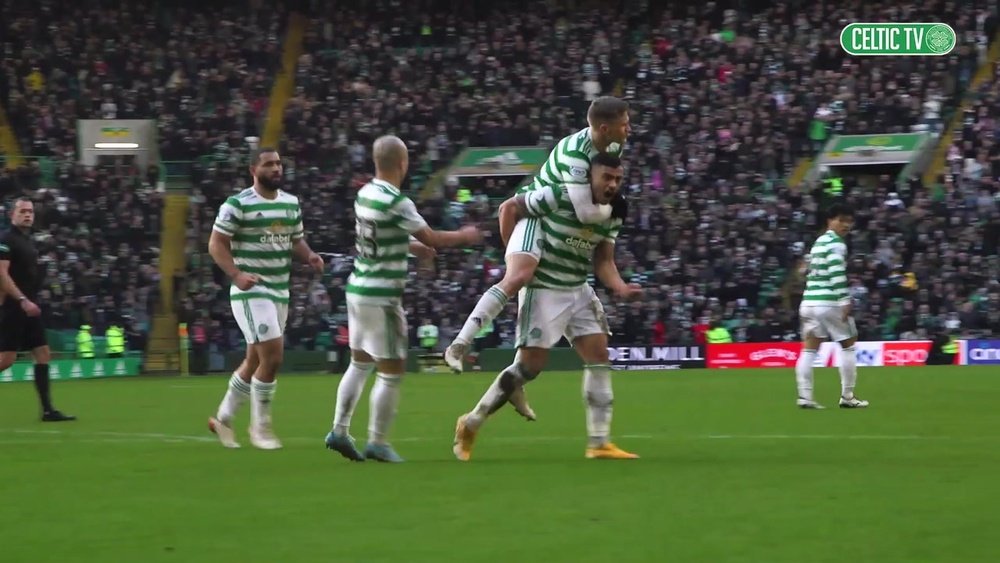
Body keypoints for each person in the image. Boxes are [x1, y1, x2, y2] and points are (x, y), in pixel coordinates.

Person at [453, 152, 642, 461]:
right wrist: (513, 254)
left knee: (599, 356)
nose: (612, 184)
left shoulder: (615, 210)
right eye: (606, 177)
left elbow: (604, 259)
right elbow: (509, 207)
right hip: (544, 288)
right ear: (589, 177)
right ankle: (472, 421)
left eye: (618, 179)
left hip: (578, 287)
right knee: (529, 368)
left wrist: (620, 287)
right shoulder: (561, 194)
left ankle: (599, 442)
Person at [444, 97, 632, 375]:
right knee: (519, 276)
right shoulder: (575, 154)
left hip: (559, 214)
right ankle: (459, 344)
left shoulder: (614, 145)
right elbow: (586, 213)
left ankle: (513, 379)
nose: (629, 129)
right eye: (624, 124)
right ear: (605, 128)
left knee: (528, 357)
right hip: (538, 213)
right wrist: (618, 209)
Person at [324, 135, 482, 463]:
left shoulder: (365, 194)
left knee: (359, 362)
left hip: (357, 290)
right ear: (403, 163)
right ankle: (378, 442)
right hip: (382, 296)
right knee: (392, 370)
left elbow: (381, 235)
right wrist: (465, 236)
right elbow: (433, 236)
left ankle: (339, 430)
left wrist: (414, 248)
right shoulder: (398, 201)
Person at [206, 148, 325, 450]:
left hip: (279, 290)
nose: (276, 168)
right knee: (273, 356)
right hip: (250, 289)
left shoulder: (290, 203)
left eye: (279, 164)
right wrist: (236, 275)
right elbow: (216, 243)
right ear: (253, 170)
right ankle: (260, 427)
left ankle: (223, 418)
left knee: (254, 360)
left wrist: (309, 255)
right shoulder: (237, 204)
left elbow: (294, 239)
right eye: (269, 164)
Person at [0, 197, 75, 421]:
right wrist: (22, 299)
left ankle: (47, 410)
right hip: (14, 306)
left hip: (29, 306)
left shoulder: (29, 241)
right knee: (6, 360)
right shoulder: (6, 239)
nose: (28, 215)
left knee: (43, 354)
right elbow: (1, 274)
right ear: (11, 214)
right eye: (22, 211)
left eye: (30, 211)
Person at [794, 203, 868, 409]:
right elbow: (836, 271)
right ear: (830, 220)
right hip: (828, 301)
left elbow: (804, 270)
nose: (846, 225)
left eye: (849, 221)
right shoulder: (837, 244)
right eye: (841, 220)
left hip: (808, 302)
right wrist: (844, 299)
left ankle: (805, 397)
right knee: (848, 345)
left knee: (809, 349)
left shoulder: (818, 242)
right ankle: (847, 396)